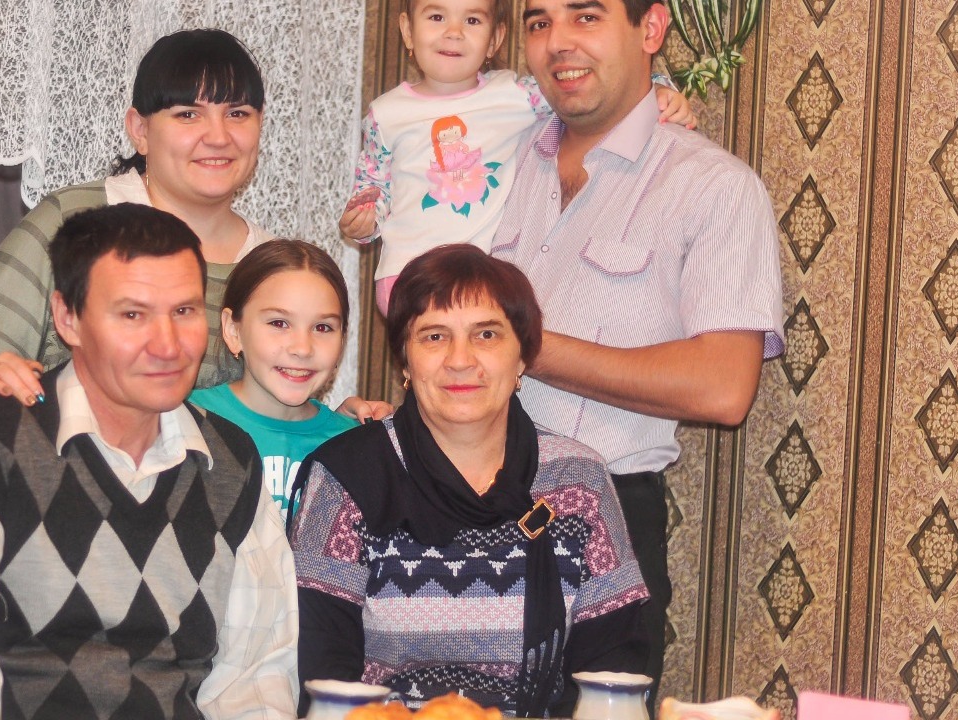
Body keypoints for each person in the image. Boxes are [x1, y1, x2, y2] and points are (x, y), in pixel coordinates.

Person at [490, 0, 786, 705]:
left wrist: (526, 347)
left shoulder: (713, 186)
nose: (558, 42)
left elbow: (725, 387)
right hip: (450, 507)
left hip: (599, 528)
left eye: (586, 16)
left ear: (650, 29)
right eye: (538, 22)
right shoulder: (496, 163)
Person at [0, 204, 298, 719]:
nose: (168, 345)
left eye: (184, 311)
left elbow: (255, 683)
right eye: (133, 315)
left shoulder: (232, 463)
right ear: (68, 318)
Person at [290, 244, 650, 717]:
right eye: (434, 336)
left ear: (522, 358)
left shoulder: (579, 482)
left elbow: (613, 672)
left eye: (486, 334)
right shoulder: (347, 478)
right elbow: (322, 676)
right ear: (405, 361)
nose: (460, 359)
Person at [0, 28, 272, 419]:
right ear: (140, 130)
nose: (218, 137)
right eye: (188, 114)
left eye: (238, 114)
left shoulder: (274, 267)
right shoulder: (71, 221)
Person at [337, 0, 696, 315]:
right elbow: (374, 184)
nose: (453, 33)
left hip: (483, 277)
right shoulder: (385, 113)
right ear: (407, 31)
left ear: (495, 39)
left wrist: (659, 88)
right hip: (405, 274)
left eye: (472, 20)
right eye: (436, 17)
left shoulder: (516, 95)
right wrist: (365, 221)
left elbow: (594, 84)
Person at [189, 240, 357, 517]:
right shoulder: (186, 420)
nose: (302, 348)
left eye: (322, 327)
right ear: (233, 330)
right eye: (279, 323)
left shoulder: (355, 446)